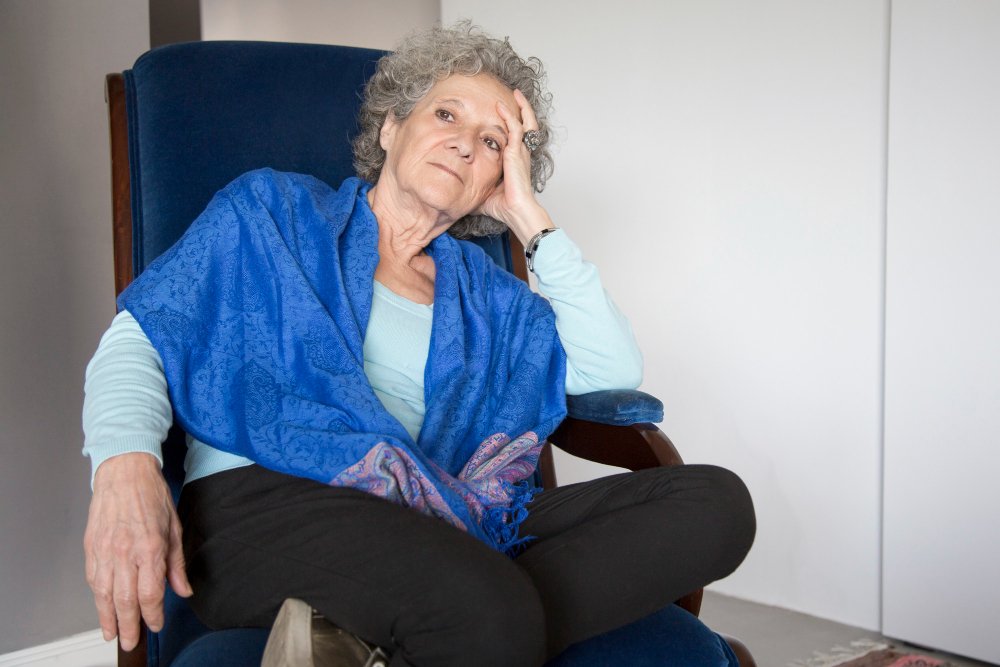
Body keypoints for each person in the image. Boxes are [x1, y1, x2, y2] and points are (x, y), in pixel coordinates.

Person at [82, 23, 755, 667]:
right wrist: (125, 466)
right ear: (390, 127)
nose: (467, 143)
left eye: (495, 142)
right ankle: (481, 617)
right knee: (489, 607)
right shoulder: (271, 213)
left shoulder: (493, 300)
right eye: (447, 117)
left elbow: (612, 368)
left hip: (447, 518)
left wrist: (528, 216)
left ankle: (381, 642)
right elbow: (140, 335)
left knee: (716, 505)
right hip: (268, 503)